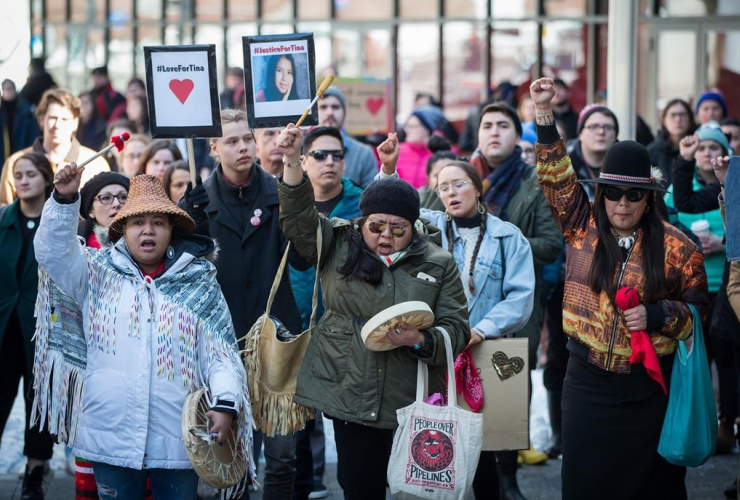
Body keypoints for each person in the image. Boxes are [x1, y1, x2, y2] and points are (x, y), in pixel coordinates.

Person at [531, 77, 710, 499]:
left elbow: (699, 313)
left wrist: (659, 315)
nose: (623, 203)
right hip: (586, 381)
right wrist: (543, 112)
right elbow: (555, 175)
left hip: (650, 387)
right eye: (613, 193)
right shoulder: (579, 226)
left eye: (633, 194)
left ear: (648, 198)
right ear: (602, 194)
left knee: (653, 486)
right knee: (585, 483)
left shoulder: (678, 246)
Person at [275, 122, 470, 500]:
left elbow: (457, 328)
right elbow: (299, 219)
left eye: (397, 229)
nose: (385, 236)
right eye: (376, 226)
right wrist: (290, 160)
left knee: (411, 489)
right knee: (359, 485)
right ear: (361, 222)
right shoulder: (337, 244)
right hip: (349, 389)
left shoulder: (437, 262)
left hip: (410, 397)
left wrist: (421, 340)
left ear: (414, 227)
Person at [35, 169, 252, 500]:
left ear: (170, 231)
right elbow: (53, 254)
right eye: (137, 223)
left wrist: (225, 404)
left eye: (158, 222)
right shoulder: (95, 271)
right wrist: (64, 200)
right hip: (110, 436)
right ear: (123, 231)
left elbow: (221, 354)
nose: (147, 230)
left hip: (180, 440)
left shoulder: (199, 282)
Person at [377, 134, 536, 499]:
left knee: (480, 449)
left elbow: (521, 297)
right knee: (432, 445)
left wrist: (480, 330)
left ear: (477, 188)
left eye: (458, 184)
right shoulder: (426, 229)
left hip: (480, 355)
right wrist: (388, 170)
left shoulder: (507, 237)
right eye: (442, 186)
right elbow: (388, 212)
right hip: (430, 354)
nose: (450, 192)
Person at [178, 109, 309, 499]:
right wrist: (191, 225)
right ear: (214, 148)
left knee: (284, 456)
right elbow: (184, 275)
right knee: (232, 457)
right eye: (232, 141)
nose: (242, 147)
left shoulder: (279, 192)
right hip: (223, 343)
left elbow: (304, 256)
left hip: (276, 339)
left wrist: (294, 190)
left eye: (246, 139)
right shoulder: (199, 202)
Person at [471, 100, 561, 497]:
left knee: (507, 388)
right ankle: (461, 468)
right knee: (460, 381)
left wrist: (501, 242)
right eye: (487, 125)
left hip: (515, 302)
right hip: (464, 302)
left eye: (503, 125)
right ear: (477, 134)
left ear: (516, 134)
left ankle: (507, 477)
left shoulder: (535, 183)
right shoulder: (459, 177)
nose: (494, 131)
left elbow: (551, 244)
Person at [288, 126, 365, 499]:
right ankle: (310, 480)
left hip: (349, 328)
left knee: (351, 421)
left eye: (336, 155)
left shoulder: (363, 204)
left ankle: (358, 485)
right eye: (320, 155)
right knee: (300, 415)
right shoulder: (287, 203)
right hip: (298, 323)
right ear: (303, 161)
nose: (329, 162)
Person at [667, 122, 737, 455]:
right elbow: (682, 202)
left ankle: (728, 421)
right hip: (704, 286)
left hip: (727, 284)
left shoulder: (734, 179)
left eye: (715, 147)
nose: (709, 154)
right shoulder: (713, 184)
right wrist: (682, 160)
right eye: (703, 148)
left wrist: (723, 242)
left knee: (727, 352)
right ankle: (707, 423)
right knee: (703, 353)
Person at [0, 152, 55, 500]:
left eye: (30, 174)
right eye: (17, 174)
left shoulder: (60, 222)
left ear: (46, 179)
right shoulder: (4, 220)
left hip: (42, 331)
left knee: (40, 405)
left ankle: (34, 475)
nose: (23, 180)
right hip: (5, 329)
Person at [0, 88, 110, 205]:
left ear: (75, 122)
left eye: (64, 119)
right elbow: (5, 210)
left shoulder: (95, 163)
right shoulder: (15, 162)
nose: (57, 125)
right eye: (52, 118)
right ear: (41, 120)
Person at [317, 86, 379, 188]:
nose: (329, 112)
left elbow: (371, 198)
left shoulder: (364, 154)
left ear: (344, 112)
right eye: (323, 107)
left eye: (335, 107)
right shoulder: (301, 150)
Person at [566, 103, 620, 201]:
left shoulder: (626, 165)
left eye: (608, 127)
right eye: (594, 126)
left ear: (615, 135)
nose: (601, 132)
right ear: (581, 133)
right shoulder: (564, 167)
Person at [396, 105, 453, 189]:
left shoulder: (442, 153)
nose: (407, 130)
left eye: (413, 126)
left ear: (427, 129)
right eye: (407, 126)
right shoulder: (397, 150)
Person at [647, 99, 697, 187]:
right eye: (673, 115)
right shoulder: (651, 152)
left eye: (683, 114)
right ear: (664, 120)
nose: (678, 119)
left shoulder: (701, 148)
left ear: (690, 119)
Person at [0, 79, 41, 165]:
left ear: (14, 90)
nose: (8, 92)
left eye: (10, 89)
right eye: (5, 89)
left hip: (22, 152)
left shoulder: (26, 111)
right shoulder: (2, 110)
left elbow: (33, 134)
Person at [418, 135, 457, 211]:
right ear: (428, 178)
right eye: (438, 175)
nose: (444, 180)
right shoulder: (416, 202)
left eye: (450, 174)